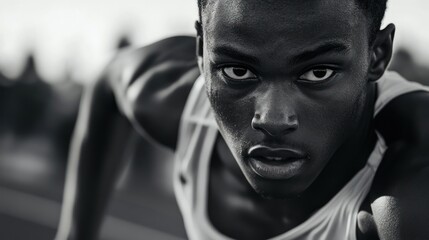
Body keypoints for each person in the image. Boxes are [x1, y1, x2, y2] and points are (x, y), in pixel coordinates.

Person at [55, 0, 429, 239]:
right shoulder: (171, 98)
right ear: (202, 51)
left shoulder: (407, 189)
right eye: (238, 71)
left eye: (318, 73)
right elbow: (107, 84)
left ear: (377, 56)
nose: (274, 118)